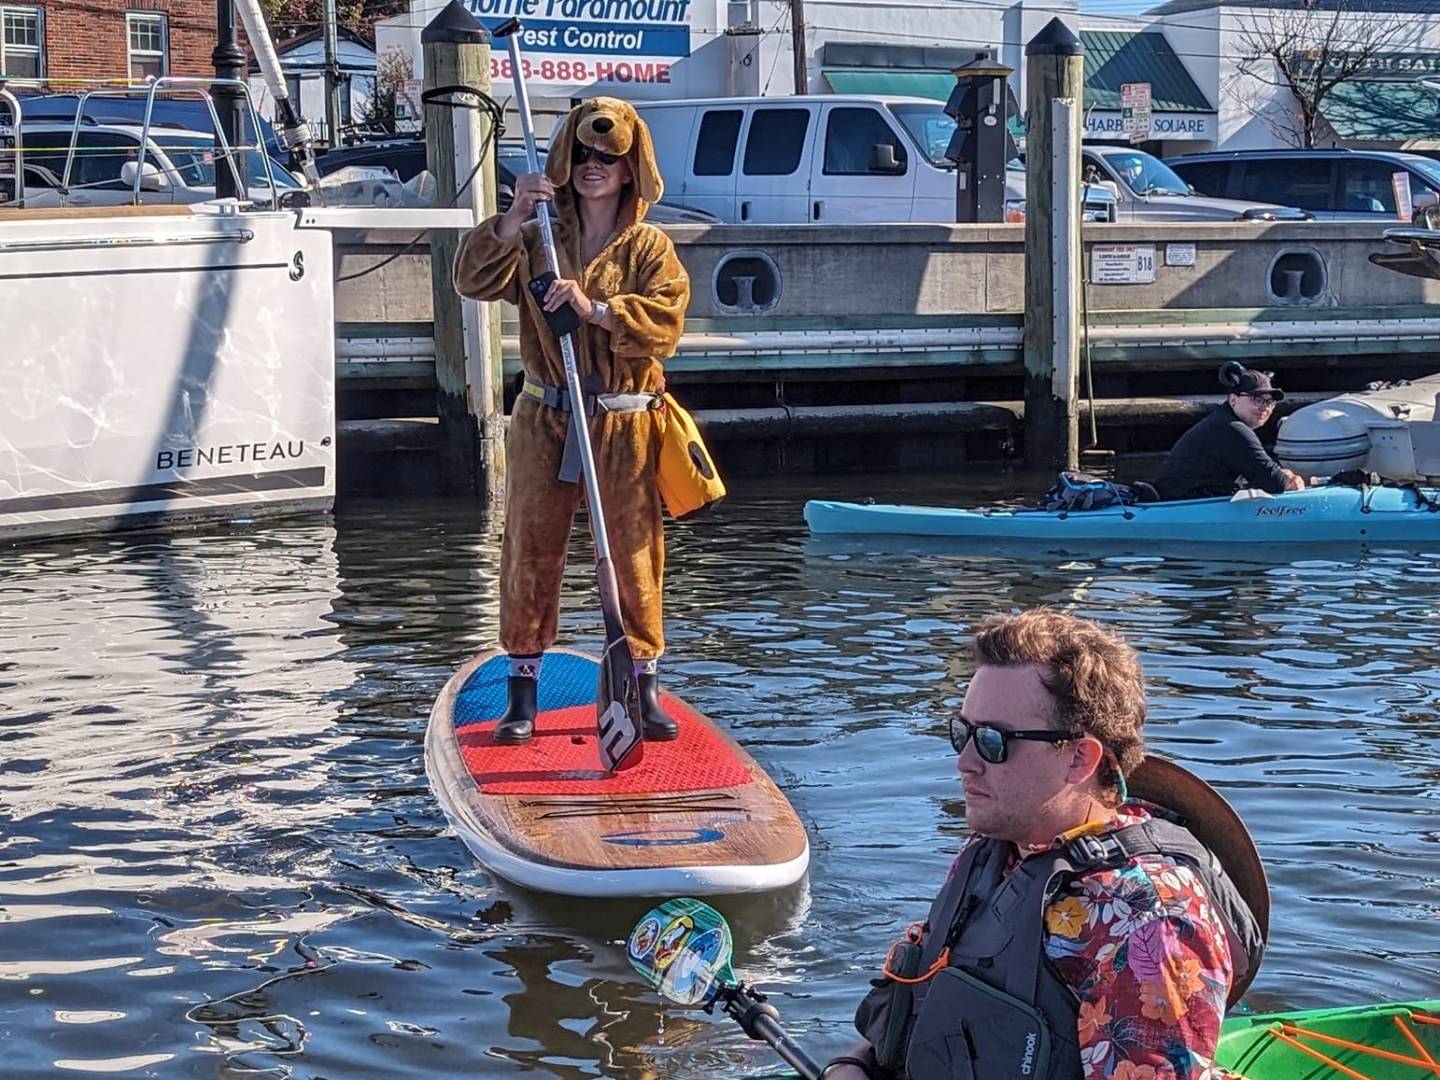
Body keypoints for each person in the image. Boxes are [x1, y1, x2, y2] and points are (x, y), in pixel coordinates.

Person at [823, 609, 1266, 1080]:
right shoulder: (996, 850)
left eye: (993, 741)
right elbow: (922, 1003)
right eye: (962, 733)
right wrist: (854, 1064)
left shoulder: (1147, 920)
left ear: (1079, 758)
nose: (966, 762)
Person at [452, 98, 690, 744]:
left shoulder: (649, 247)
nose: (593, 166)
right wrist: (511, 218)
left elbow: (665, 324)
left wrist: (598, 310)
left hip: (622, 423)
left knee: (635, 557)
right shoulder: (539, 237)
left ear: (630, 166)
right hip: (545, 416)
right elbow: (471, 279)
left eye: (608, 157)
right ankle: (522, 696)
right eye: (583, 154)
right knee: (529, 550)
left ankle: (642, 687)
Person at [1154, 363, 1305, 501]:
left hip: (1188, 503)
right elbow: (1274, 483)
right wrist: (1289, 479)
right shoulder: (1233, 429)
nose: (1264, 407)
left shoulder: (1222, 422)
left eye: (1269, 402)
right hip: (1183, 508)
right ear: (1233, 399)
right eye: (1257, 399)